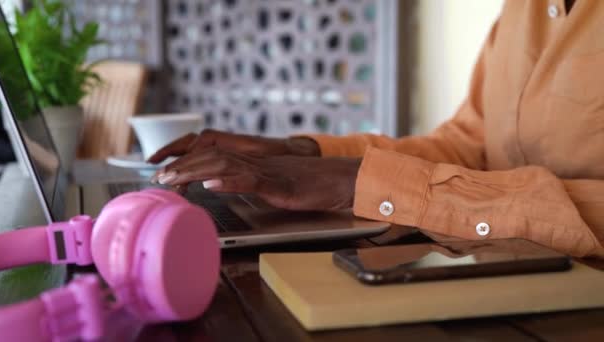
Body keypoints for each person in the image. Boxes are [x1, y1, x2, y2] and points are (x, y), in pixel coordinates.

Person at [149, 0, 604, 258]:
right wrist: (304, 153)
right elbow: (467, 145)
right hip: (500, 276)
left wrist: (365, 184)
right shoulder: (521, 10)